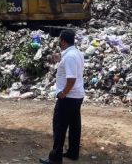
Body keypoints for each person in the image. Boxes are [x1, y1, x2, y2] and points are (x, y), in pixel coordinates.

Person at [40, 29, 85, 164]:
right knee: (74, 125)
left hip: (68, 97)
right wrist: (60, 58)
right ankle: (72, 152)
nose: (59, 42)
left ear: (63, 41)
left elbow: (71, 79)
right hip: (77, 96)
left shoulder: (70, 56)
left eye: (59, 40)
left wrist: (63, 93)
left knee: (59, 127)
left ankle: (55, 158)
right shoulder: (76, 53)